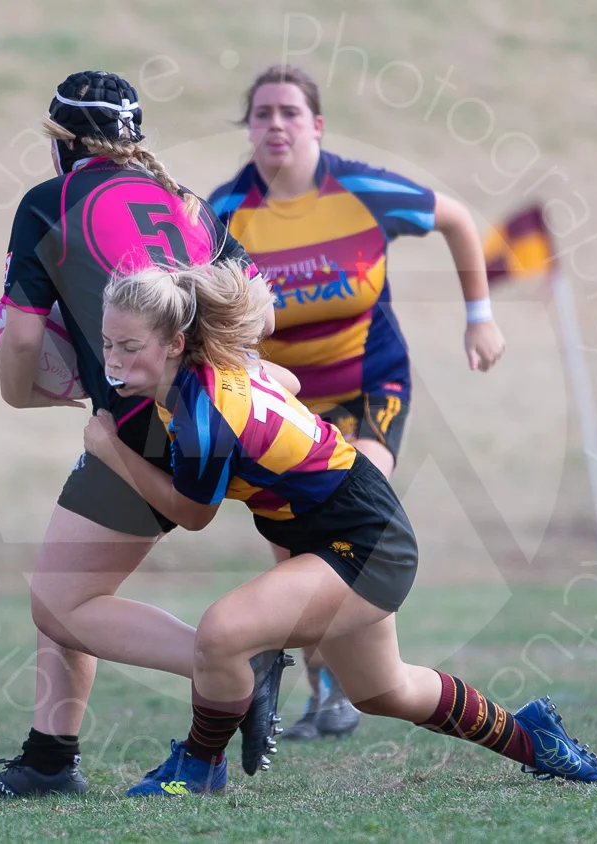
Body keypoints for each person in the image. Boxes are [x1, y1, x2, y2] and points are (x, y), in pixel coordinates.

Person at [80, 261, 597, 796]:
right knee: (384, 691)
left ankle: (199, 767)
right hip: (342, 524)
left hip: (363, 540)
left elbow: (193, 515)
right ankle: (531, 736)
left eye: (129, 346)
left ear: (174, 343)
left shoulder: (203, 414)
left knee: (221, 634)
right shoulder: (209, 367)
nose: (112, 359)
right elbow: (286, 380)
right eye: (107, 343)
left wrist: (112, 452)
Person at [0, 71, 289, 801]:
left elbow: (20, 337)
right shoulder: (187, 202)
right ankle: (50, 756)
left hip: (147, 423)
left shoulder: (51, 201)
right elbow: (261, 317)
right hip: (227, 411)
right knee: (65, 574)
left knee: (61, 604)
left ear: (60, 144)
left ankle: (236, 664)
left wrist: (28, 394)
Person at [208, 64, 506, 740]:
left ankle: (337, 684)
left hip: (370, 389)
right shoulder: (224, 213)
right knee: (295, 556)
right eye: (262, 113)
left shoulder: (363, 190)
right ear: (248, 128)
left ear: (315, 124)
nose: (275, 124)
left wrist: (480, 316)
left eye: (289, 111)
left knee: (351, 511)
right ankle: (326, 688)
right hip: (284, 409)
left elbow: (456, 218)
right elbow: (205, 304)